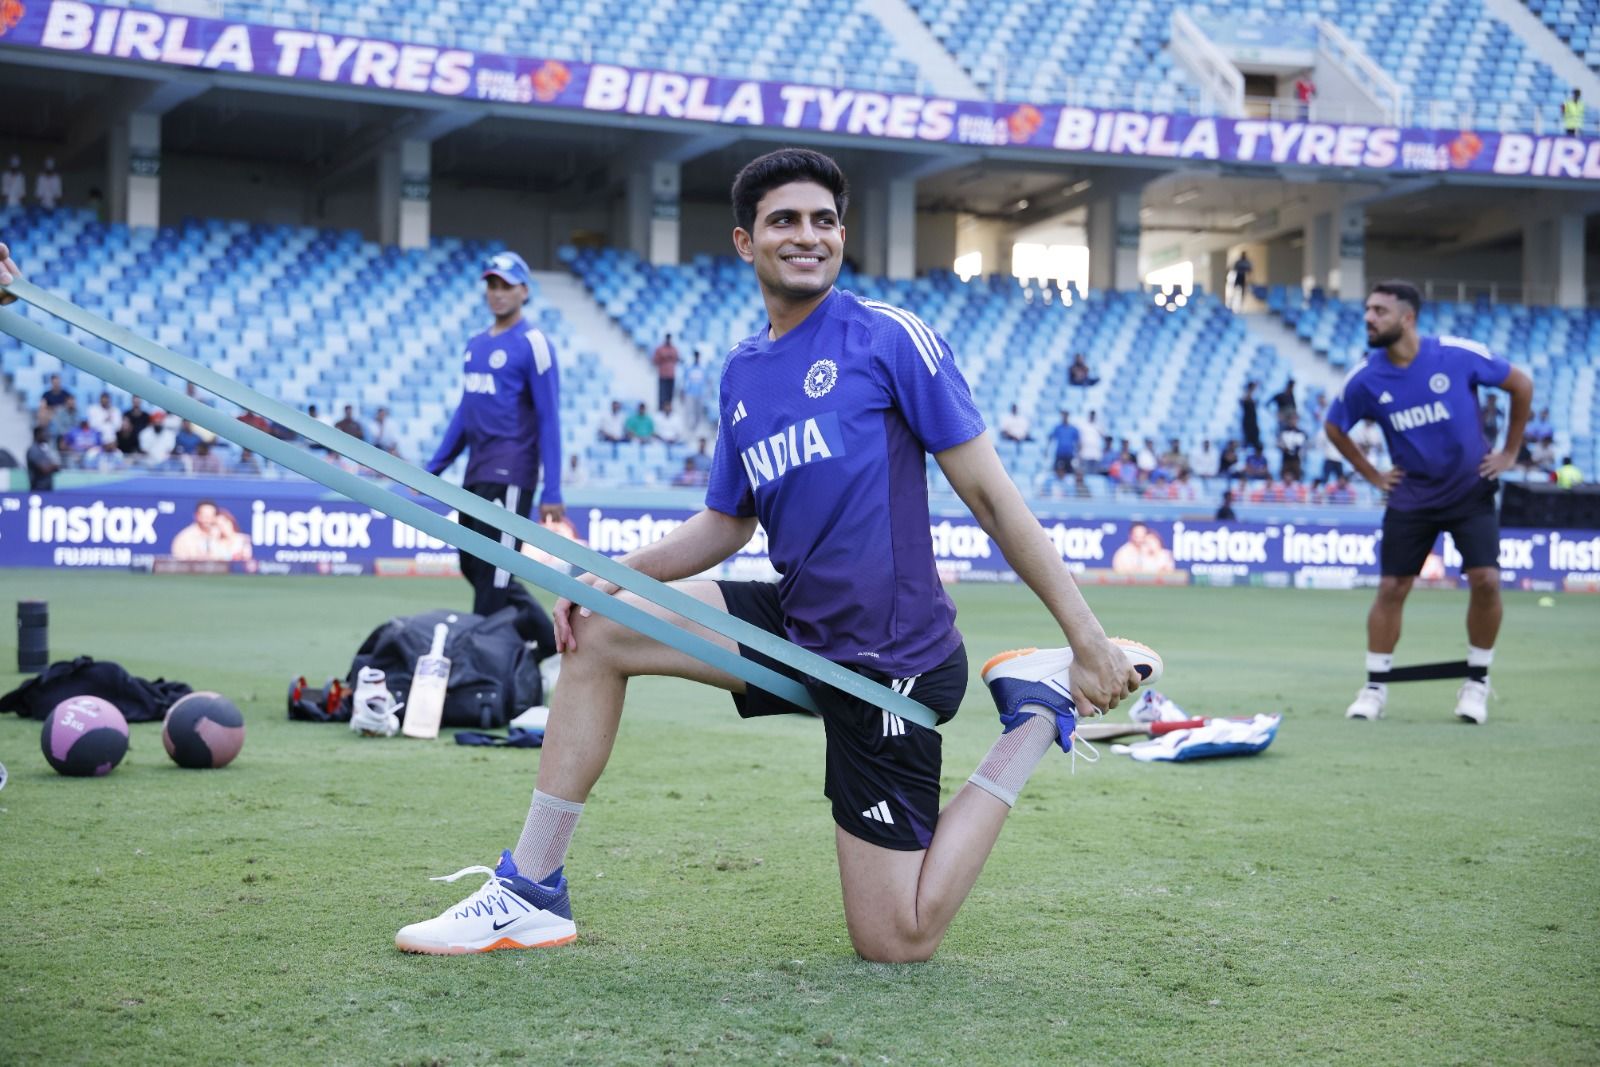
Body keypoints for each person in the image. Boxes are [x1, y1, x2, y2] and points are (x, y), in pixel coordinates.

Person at [393, 148, 1143, 963]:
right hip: (797, 624)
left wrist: (1085, 638)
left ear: (843, 236)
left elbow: (995, 499)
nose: (808, 236)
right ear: (748, 242)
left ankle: (1032, 712)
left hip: (887, 660)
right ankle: (532, 889)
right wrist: (611, 575)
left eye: (824, 221)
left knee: (896, 939)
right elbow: (726, 523)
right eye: (785, 220)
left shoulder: (888, 338)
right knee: (599, 628)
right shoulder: (743, 372)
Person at [1324, 281, 1533, 726]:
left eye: (1379, 310)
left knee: (1487, 581)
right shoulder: (1365, 377)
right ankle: (1374, 689)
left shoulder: (1455, 355)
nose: (1369, 317)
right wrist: (1373, 475)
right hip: (1411, 497)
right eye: (1367, 309)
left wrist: (1510, 453)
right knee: (1391, 590)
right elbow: (1334, 427)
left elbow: (1521, 383)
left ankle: (1476, 683)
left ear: (1407, 317)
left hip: (1469, 490)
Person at [425, 250, 562, 650]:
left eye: (506, 286)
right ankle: (550, 646)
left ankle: (477, 660)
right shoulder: (475, 344)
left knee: (498, 572)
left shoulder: (534, 343)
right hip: (476, 472)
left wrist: (552, 489)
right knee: (474, 565)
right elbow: (465, 412)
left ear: (524, 290)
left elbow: (549, 418)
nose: (497, 293)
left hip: (513, 472)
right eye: (492, 285)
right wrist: (432, 468)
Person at [679, 350, 709, 434]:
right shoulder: (688, 368)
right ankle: (687, 429)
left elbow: (706, 382)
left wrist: (705, 393)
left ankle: (696, 429)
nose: (696, 358)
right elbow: (684, 380)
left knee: (698, 413)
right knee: (688, 411)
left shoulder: (703, 369)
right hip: (690, 393)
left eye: (697, 356)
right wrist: (682, 391)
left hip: (699, 394)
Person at [1048, 409, 1080, 488]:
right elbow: (1051, 438)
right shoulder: (1058, 428)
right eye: (1063, 415)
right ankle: (1056, 487)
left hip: (1069, 454)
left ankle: (1069, 488)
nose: (1064, 417)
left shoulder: (1073, 429)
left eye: (1066, 415)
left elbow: (1077, 442)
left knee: (1069, 472)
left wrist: (1078, 454)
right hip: (1060, 453)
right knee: (1056, 471)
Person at [26, 426, 60, 491]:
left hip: (47, 489)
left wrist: (52, 466)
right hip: (38, 489)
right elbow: (44, 469)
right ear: (38, 435)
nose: (46, 435)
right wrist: (53, 466)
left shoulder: (44, 450)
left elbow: (57, 467)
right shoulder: (33, 450)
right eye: (44, 433)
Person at [652, 333, 680, 412]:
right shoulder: (660, 349)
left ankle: (669, 410)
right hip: (663, 375)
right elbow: (655, 360)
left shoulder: (674, 349)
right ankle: (661, 410)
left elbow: (677, 359)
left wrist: (669, 357)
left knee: (670, 395)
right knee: (662, 394)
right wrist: (664, 358)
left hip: (671, 375)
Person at [1278, 415, 1306, 481]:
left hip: (1296, 459)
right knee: (1283, 476)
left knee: (1298, 476)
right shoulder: (1283, 432)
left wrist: (1292, 449)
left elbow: (1300, 445)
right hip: (1286, 459)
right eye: (1292, 420)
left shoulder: (1300, 433)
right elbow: (1280, 444)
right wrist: (1285, 448)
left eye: (1295, 420)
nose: (1293, 422)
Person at [1240, 380, 1262, 452]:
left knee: (1256, 441)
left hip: (1253, 422)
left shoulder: (1252, 398)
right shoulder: (1245, 397)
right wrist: (1251, 389)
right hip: (1248, 422)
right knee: (1247, 440)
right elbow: (1245, 400)